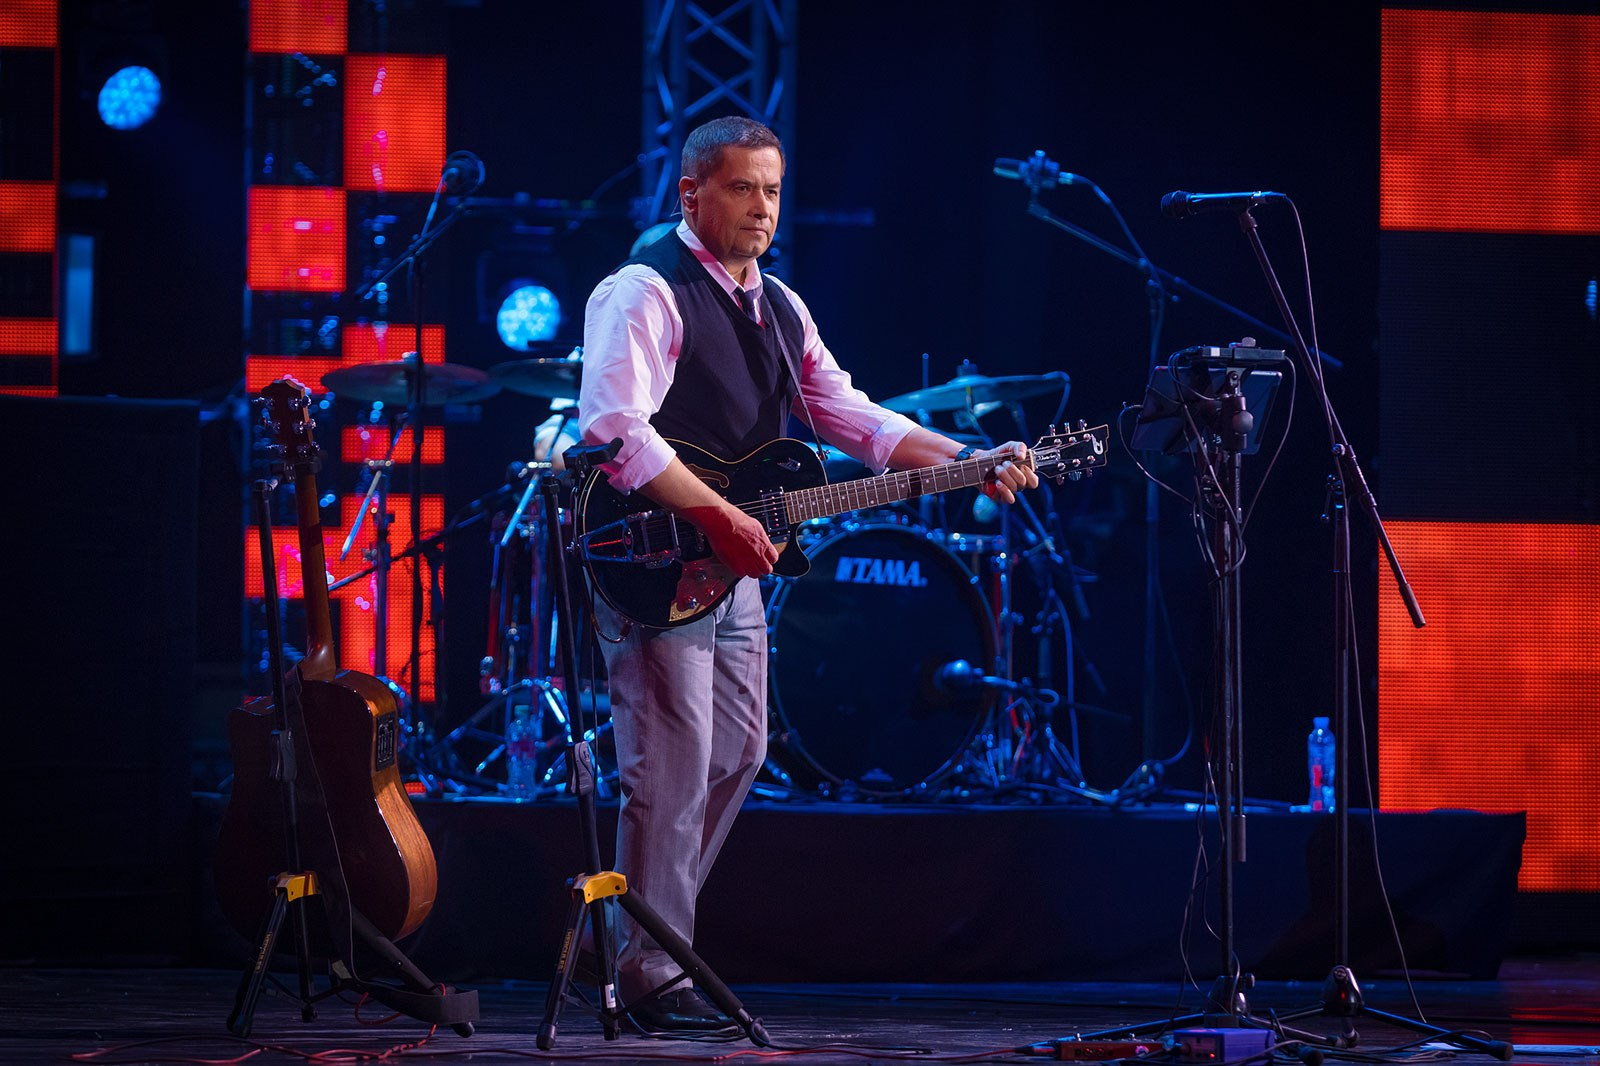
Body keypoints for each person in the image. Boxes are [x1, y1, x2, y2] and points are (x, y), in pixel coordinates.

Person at [576, 115, 1037, 1035]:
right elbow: (616, 431)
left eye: (773, 191)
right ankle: (652, 970)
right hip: (655, 554)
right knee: (673, 765)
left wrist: (966, 458)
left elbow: (850, 415)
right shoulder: (645, 289)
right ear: (691, 195)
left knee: (739, 751)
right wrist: (720, 517)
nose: (762, 209)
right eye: (741, 188)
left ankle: (634, 935)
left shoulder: (781, 306)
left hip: (730, 563)